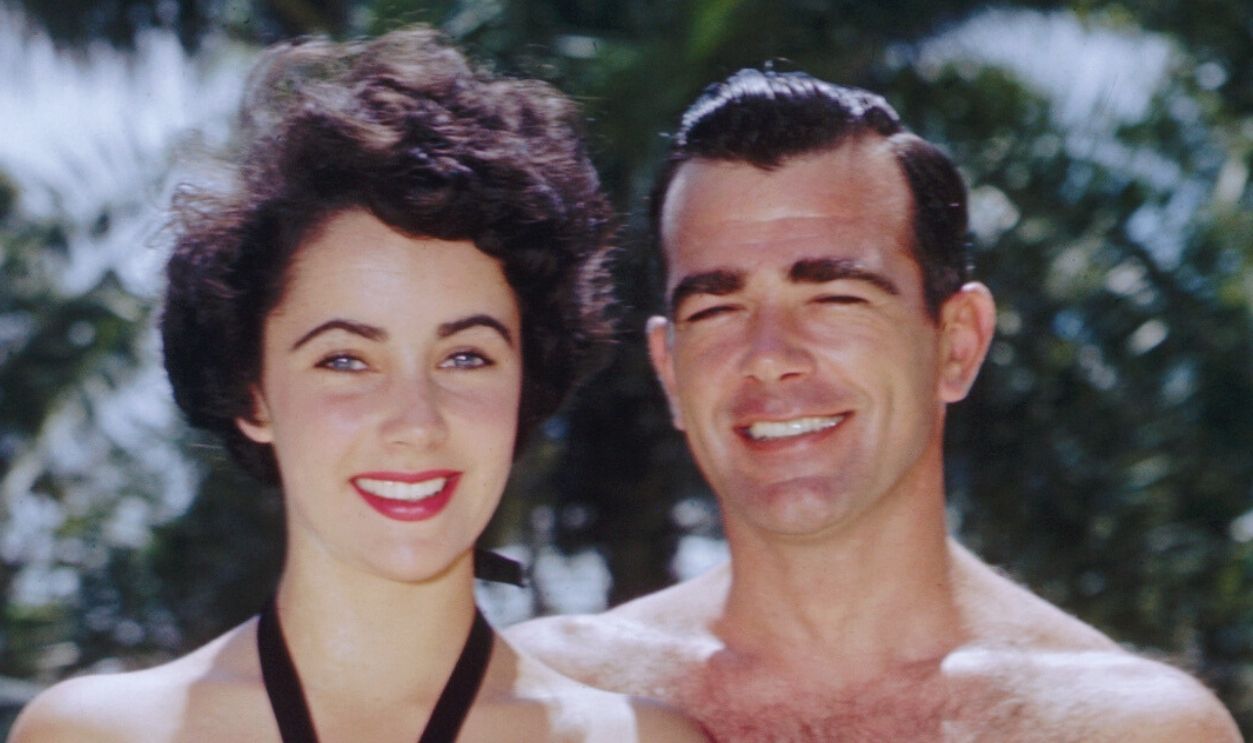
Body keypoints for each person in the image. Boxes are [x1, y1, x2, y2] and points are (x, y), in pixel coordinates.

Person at [8, 27, 706, 743]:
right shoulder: (95, 733)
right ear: (251, 392)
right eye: (345, 359)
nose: (415, 421)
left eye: (465, 357)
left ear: (527, 381)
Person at [507, 68, 1242, 741]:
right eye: (717, 308)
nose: (768, 354)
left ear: (956, 343)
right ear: (669, 370)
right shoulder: (545, 699)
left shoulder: (1120, 728)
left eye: (833, 297)